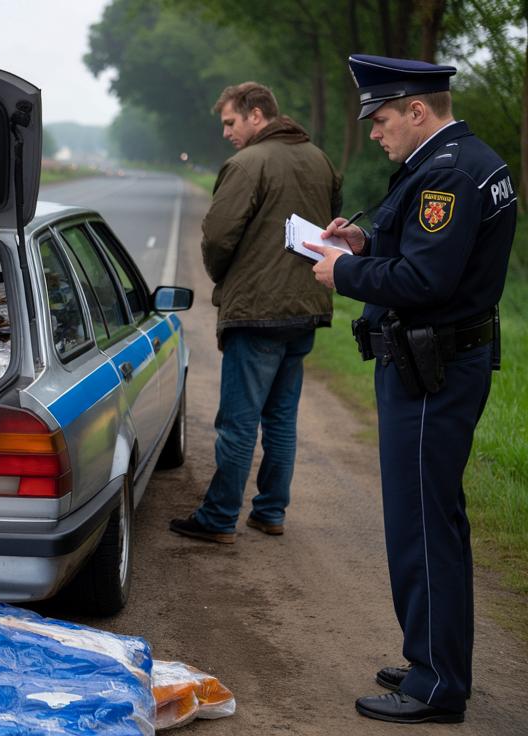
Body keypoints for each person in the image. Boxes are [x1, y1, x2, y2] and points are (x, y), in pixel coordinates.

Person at [304, 54, 515, 725]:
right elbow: (430, 253)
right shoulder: (462, 160)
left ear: (418, 110)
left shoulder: (447, 174)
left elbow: (427, 282)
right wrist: (364, 243)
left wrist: (344, 273)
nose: (374, 132)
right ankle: (436, 658)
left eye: (382, 118)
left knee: (422, 525)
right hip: (440, 364)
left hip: (433, 373)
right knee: (432, 519)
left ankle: (436, 683)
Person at [168, 82, 341, 544]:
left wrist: (221, 274)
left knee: (238, 422)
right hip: (305, 308)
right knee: (281, 418)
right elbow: (332, 224)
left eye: (230, 122)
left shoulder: (247, 163)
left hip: (257, 312)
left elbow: (218, 236)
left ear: (257, 115)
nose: (226, 132)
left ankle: (219, 516)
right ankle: (270, 511)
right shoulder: (320, 160)